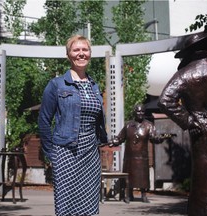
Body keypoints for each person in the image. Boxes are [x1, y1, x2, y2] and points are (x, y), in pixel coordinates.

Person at [38, 34, 108, 215]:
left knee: (89, 207)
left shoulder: (94, 86)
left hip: (90, 155)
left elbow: (98, 122)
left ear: (90, 53)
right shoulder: (56, 84)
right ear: (69, 54)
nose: (81, 53)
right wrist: (51, 154)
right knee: (66, 207)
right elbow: (44, 120)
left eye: (85, 49)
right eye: (76, 50)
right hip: (66, 152)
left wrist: (104, 140)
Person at [158, 31, 207, 216]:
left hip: (201, 130)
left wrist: (189, 121)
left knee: (205, 181)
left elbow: (165, 101)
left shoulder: (185, 74)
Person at [110, 104, 172, 203]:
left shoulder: (149, 125)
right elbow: (120, 138)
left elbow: (154, 137)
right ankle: (129, 195)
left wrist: (161, 138)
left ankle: (144, 195)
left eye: (142, 111)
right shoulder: (128, 125)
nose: (140, 113)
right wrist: (113, 141)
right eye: (138, 111)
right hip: (129, 156)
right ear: (134, 112)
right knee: (129, 176)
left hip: (142, 156)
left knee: (143, 177)